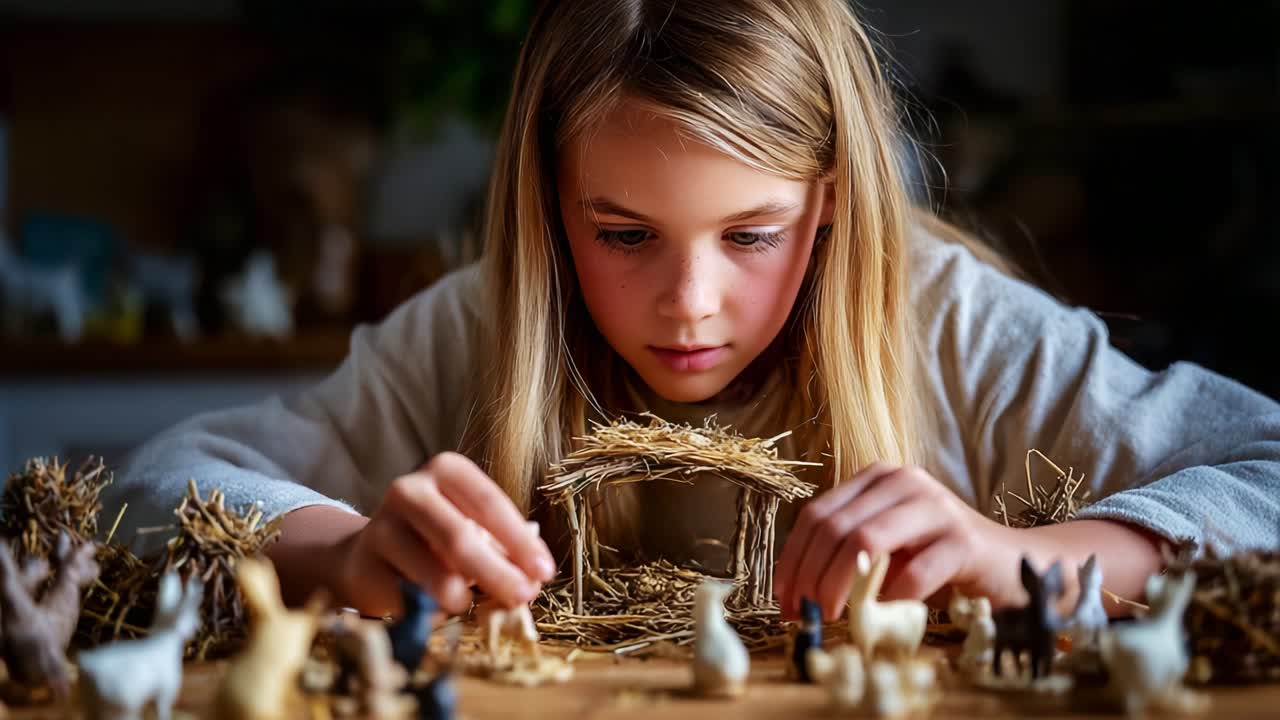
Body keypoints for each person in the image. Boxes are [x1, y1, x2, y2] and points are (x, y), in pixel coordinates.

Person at [107, 0, 1280, 623]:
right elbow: (156, 482)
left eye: (749, 236)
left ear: (827, 206)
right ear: (548, 209)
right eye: (620, 235)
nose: (687, 305)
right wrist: (344, 553)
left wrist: (1017, 559)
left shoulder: (953, 326)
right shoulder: (476, 325)